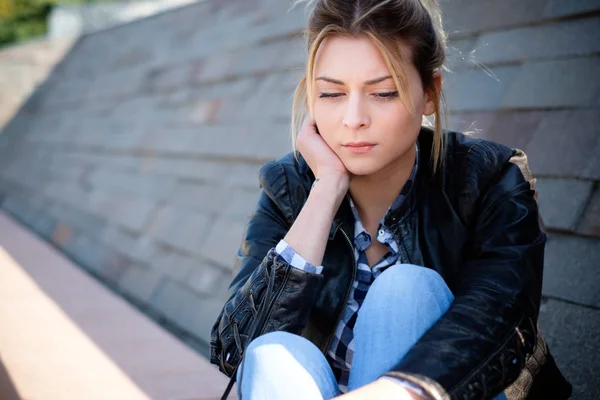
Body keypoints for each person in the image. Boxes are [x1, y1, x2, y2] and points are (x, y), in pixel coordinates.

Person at [209, 0, 572, 399]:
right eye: (331, 94)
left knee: (405, 290)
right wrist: (326, 189)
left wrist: (398, 391)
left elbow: (498, 322)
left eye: (383, 92)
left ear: (430, 93)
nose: (353, 118)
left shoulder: (487, 179)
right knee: (273, 353)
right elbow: (239, 352)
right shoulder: (289, 186)